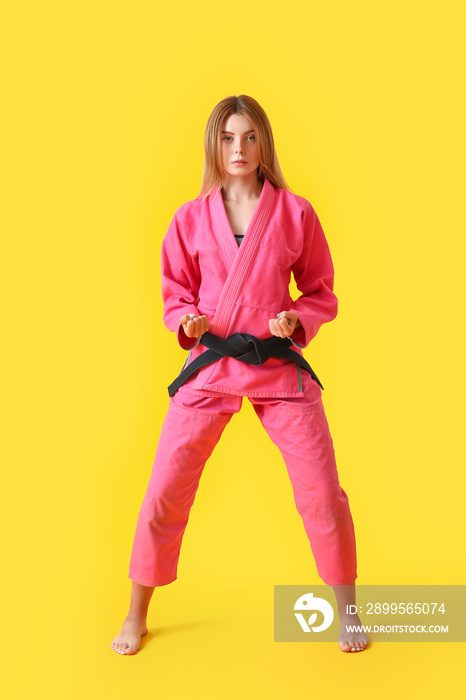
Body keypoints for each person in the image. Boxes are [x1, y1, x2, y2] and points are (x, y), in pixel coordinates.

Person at [111, 95, 369, 655]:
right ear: (213, 144)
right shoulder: (189, 217)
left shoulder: (296, 213)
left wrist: (297, 318)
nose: (239, 149)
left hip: (276, 363)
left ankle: (347, 609)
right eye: (228, 138)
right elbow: (174, 292)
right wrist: (188, 319)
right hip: (210, 365)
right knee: (163, 493)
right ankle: (135, 614)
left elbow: (321, 290)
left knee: (324, 494)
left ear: (264, 143)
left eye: (250, 137)